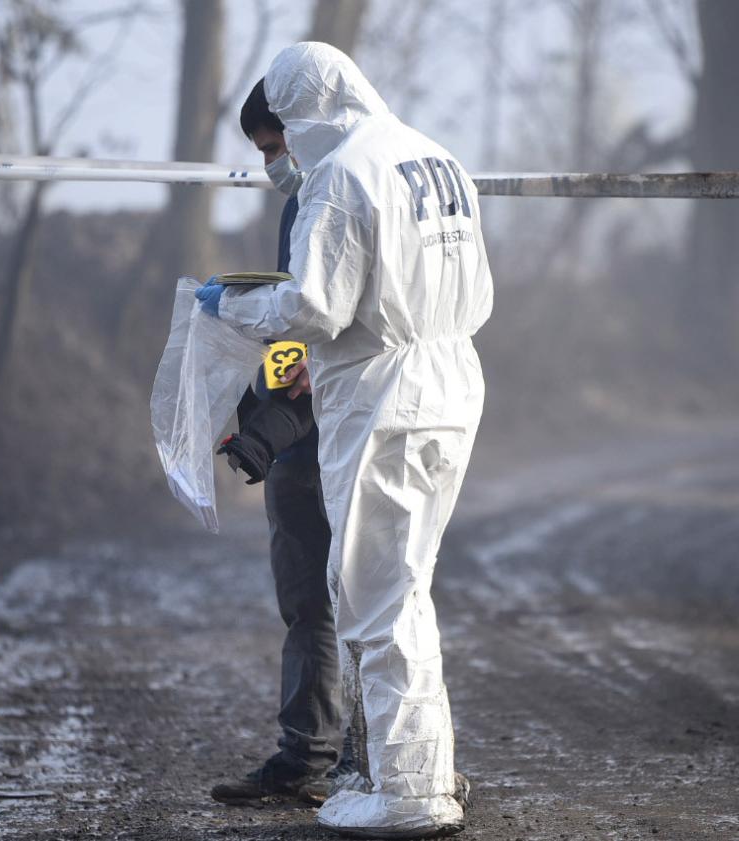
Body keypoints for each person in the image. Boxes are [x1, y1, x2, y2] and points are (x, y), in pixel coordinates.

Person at [198, 42, 492, 839]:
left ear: (299, 111)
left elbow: (315, 310)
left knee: (376, 602)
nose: (282, 153)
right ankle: (418, 773)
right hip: (448, 382)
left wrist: (229, 307)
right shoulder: (433, 157)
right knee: (404, 591)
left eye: (281, 131)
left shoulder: (340, 174)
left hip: (381, 394)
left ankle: (407, 793)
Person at [205, 80, 346, 807]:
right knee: (366, 602)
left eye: (271, 147)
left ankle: (313, 760)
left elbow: (306, 322)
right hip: (348, 423)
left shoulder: (326, 197)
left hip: (323, 437)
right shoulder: (336, 192)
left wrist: (271, 408)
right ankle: (361, 761)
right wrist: (256, 396)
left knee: (321, 603)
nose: (270, 164)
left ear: (300, 127)